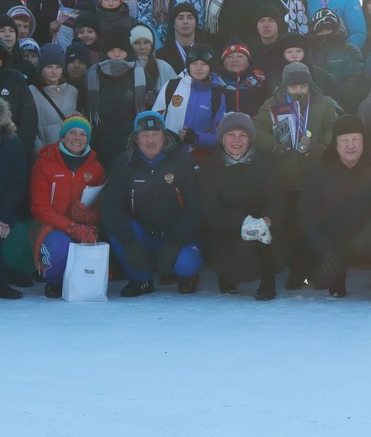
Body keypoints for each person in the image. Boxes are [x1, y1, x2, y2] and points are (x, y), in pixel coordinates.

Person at [253, 61, 343, 289]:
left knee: (313, 226)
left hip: (316, 177)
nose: (299, 91)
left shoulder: (324, 103)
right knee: (292, 227)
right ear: (285, 87)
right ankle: (296, 269)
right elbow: (257, 129)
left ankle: (313, 268)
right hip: (286, 178)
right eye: (294, 87)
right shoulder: (272, 104)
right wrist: (274, 146)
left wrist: (323, 145)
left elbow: (334, 127)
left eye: (303, 86)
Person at [100, 110, 205, 297]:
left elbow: (196, 207)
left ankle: (187, 276)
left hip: (176, 233)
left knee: (186, 264)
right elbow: (110, 204)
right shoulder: (124, 163)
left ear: (164, 137)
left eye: (155, 134)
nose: (150, 140)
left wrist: (175, 241)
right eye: (144, 135)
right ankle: (141, 279)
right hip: (143, 233)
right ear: (135, 139)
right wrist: (129, 241)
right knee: (118, 233)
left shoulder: (183, 161)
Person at [299, 114, 371, 302]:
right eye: (344, 140)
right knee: (320, 281)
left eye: (356, 139)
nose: (350, 145)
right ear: (335, 143)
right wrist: (324, 250)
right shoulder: (318, 170)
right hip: (335, 239)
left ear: (364, 142)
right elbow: (307, 213)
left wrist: (370, 232)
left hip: (368, 236)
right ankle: (337, 280)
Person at [196, 111, 280, 299]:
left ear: (250, 139)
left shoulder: (266, 164)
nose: (237, 140)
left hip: (263, 232)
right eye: (231, 135)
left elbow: (277, 200)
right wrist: (244, 222)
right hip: (226, 232)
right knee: (230, 257)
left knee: (271, 243)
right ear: (222, 138)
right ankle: (227, 276)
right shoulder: (209, 167)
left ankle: (268, 281)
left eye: (242, 135)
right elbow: (209, 208)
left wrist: (267, 220)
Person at [30, 115, 108, 297]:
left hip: (84, 228)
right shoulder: (44, 164)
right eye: (72, 132)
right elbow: (39, 208)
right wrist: (71, 227)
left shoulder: (96, 168)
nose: (77, 138)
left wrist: (89, 217)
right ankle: (55, 281)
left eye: (82, 134)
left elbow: (102, 207)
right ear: (63, 136)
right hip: (50, 228)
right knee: (60, 247)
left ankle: (87, 282)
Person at [83, 29, 148, 162]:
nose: (117, 54)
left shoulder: (141, 74)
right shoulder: (92, 75)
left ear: (128, 51)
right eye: (112, 50)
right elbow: (83, 108)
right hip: (100, 144)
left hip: (133, 142)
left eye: (121, 50)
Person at [158, 45, 224, 159]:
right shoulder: (172, 86)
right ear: (188, 65)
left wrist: (195, 137)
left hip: (198, 157)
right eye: (194, 63)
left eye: (203, 64)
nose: (198, 68)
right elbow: (155, 119)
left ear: (210, 67)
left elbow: (220, 136)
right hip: (168, 154)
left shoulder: (217, 96)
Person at [306, 8, 366, 110]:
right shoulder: (307, 52)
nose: (324, 33)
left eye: (328, 29)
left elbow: (353, 85)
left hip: (342, 107)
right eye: (320, 30)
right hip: (312, 107)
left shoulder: (351, 51)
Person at [29, 43, 80, 149]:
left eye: (58, 67)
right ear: (41, 68)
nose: (54, 71)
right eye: (49, 67)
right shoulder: (32, 91)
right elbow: (30, 129)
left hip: (70, 153)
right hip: (45, 155)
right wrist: (41, 152)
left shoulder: (73, 91)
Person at [214, 42, 269, 115]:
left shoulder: (261, 82)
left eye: (240, 56)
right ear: (223, 62)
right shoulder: (213, 83)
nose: (235, 60)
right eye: (229, 57)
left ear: (248, 61)